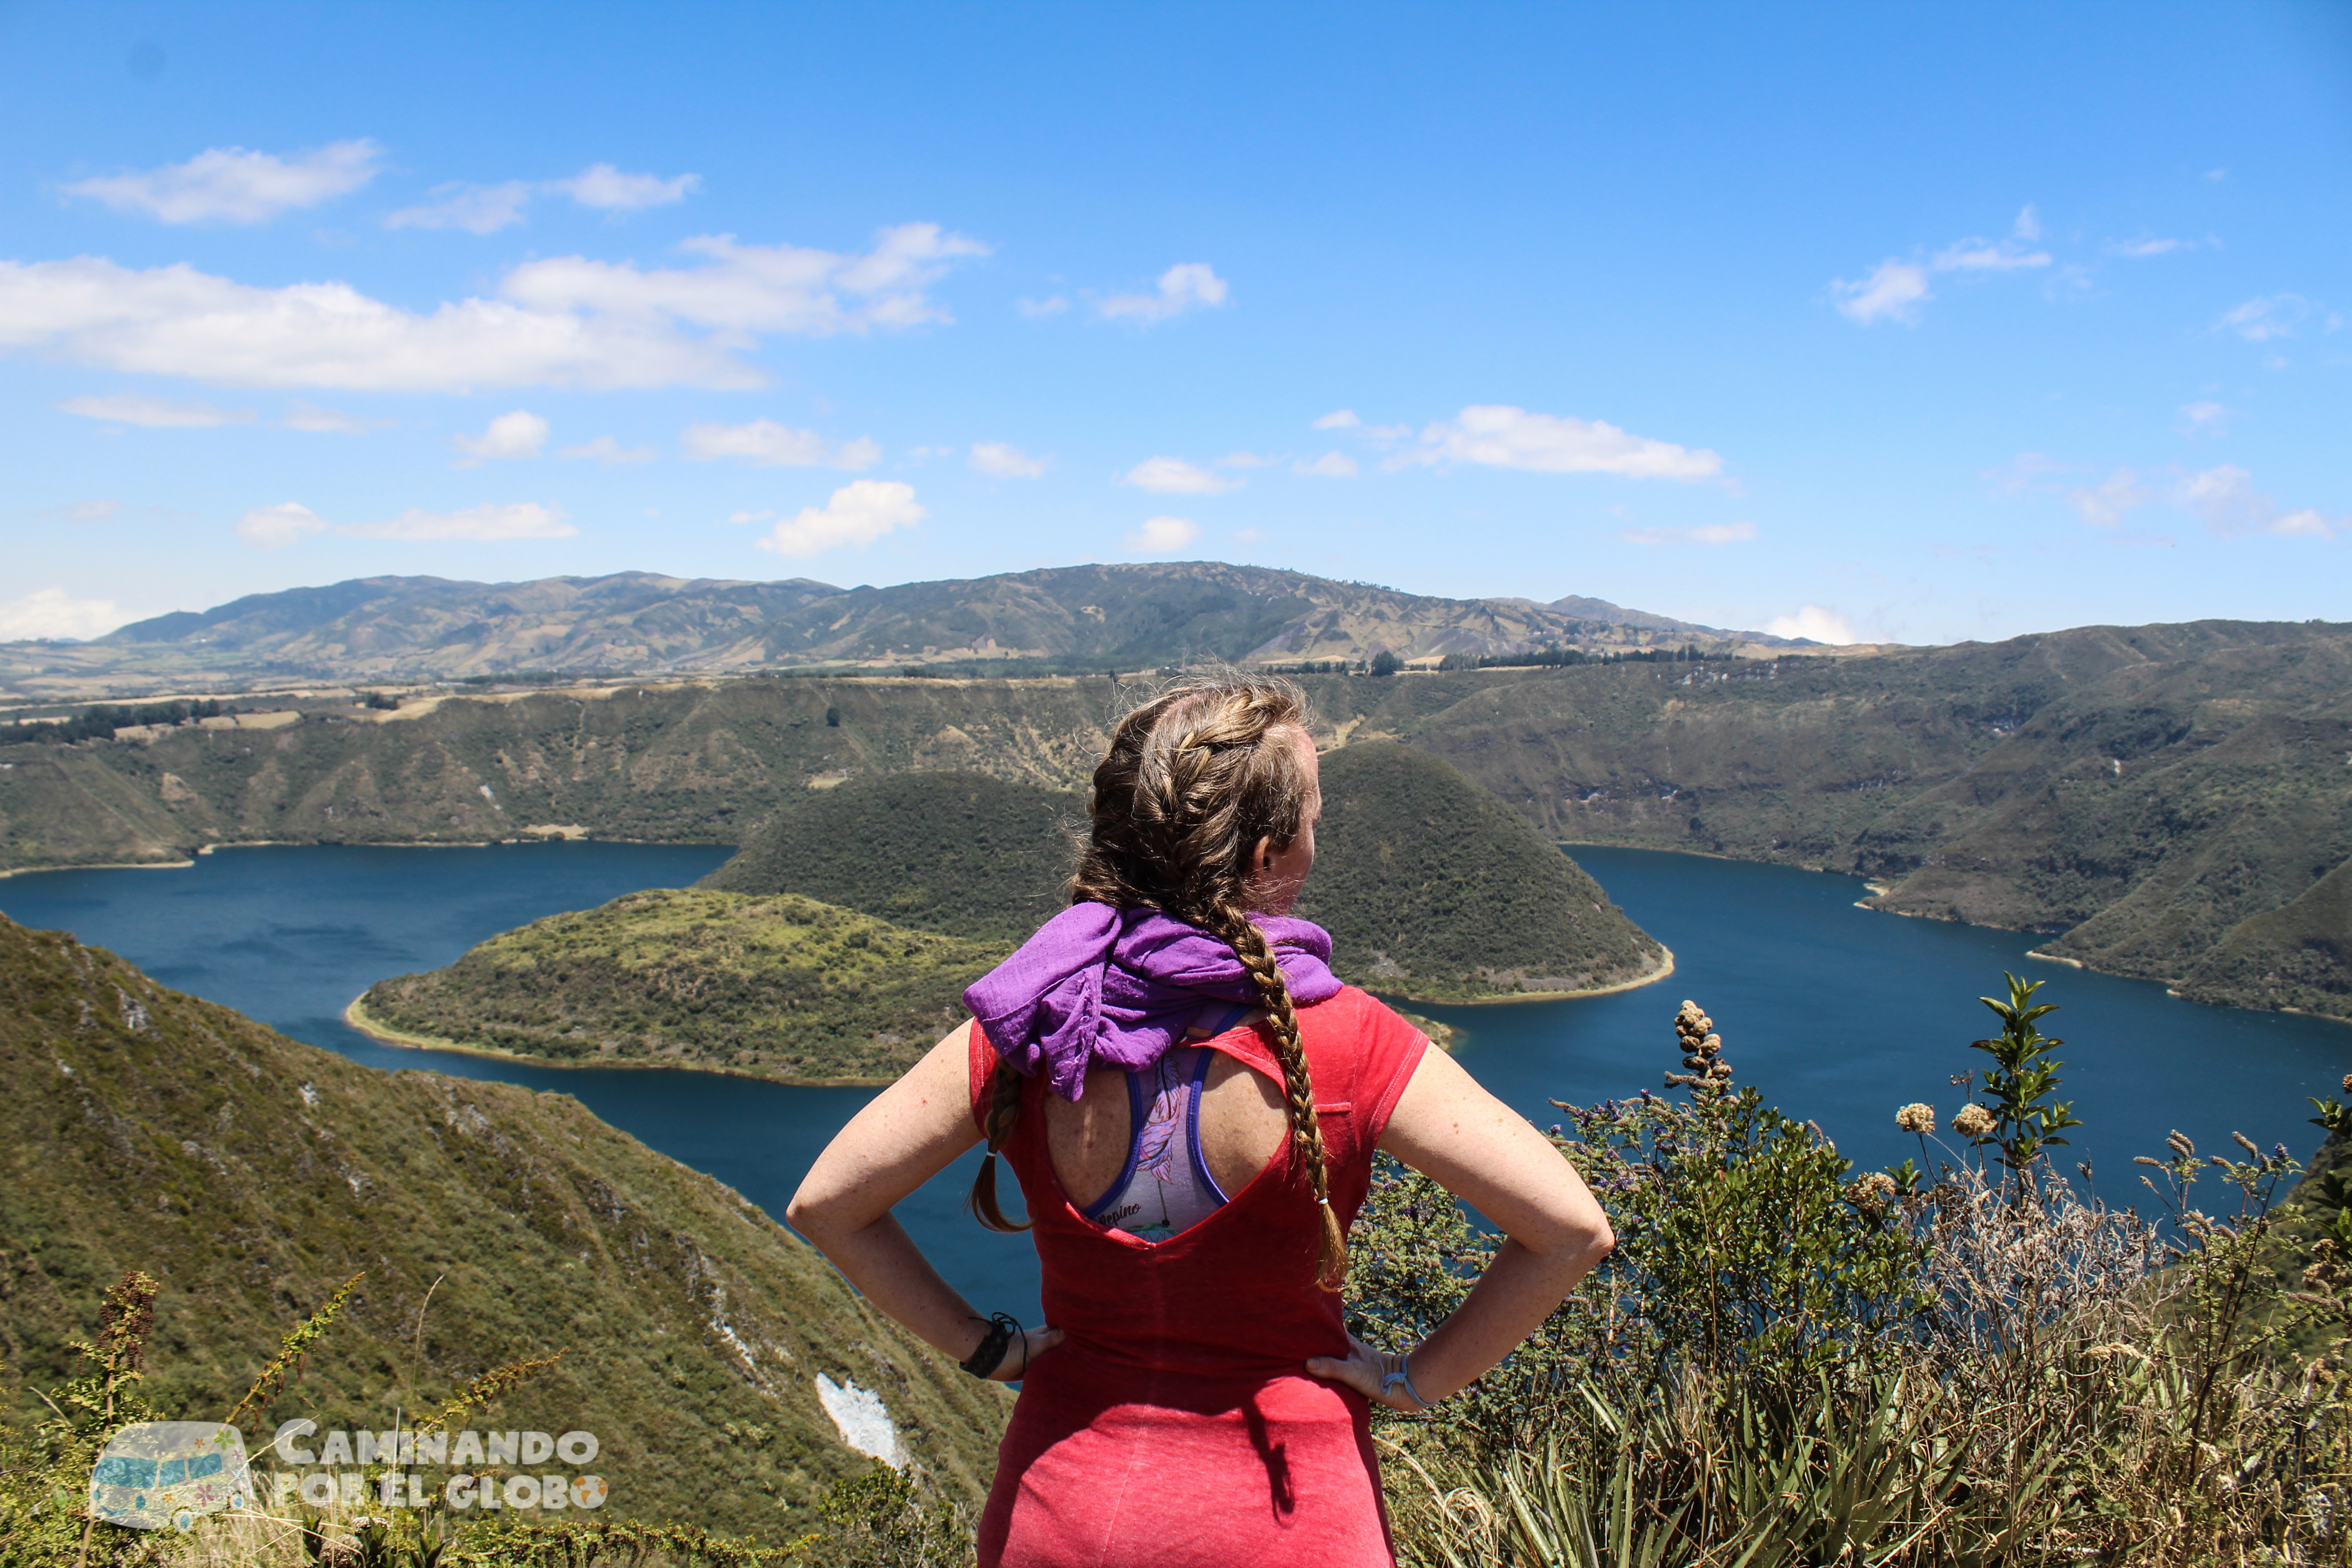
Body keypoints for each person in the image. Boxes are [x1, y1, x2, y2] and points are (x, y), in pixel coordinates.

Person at [788, 672, 1615, 1567]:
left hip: (1060, 1514)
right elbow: (1569, 1232)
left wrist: (988, 1350)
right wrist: (1416, 1380)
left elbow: (829, 1207)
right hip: (1290, 1523)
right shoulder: (1346, 1043)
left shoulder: (1031, 1019)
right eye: (1313, 822)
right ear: (1266, 857)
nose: (1316, 841)